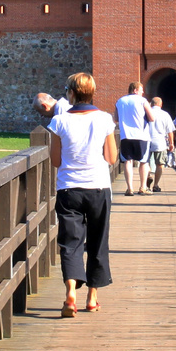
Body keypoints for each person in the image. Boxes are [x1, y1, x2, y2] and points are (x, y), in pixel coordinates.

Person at [47, 72, 118, 317]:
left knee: (70, 242)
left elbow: (55, 160)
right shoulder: (105, 120)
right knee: (98, 242)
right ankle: (92, 297)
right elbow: (111, 158)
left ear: (71, 93)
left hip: (68, 189)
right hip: (98, 187)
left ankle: (70, 295)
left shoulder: (59, 122)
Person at [114, 82, 158, 195]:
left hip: (125, 136)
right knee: (144, 161)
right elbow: (152, 118)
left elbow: (116, 118)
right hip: (141, 136)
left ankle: (130, 188)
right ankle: (143, 187)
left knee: (127, 161)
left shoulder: (119, 101)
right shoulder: (143, 101)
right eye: (141, 89)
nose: (142, 92)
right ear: (135, 90)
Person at [145, 97, 175, 191]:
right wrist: (171, 143)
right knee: (160, 164)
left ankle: (148, 174)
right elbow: (170, 131)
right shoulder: (165, 114)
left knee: (145, 163)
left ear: (151, 104)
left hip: (146, 140)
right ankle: (156, 185)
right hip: (160, 142)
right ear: (160, 104)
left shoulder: (145, 113)